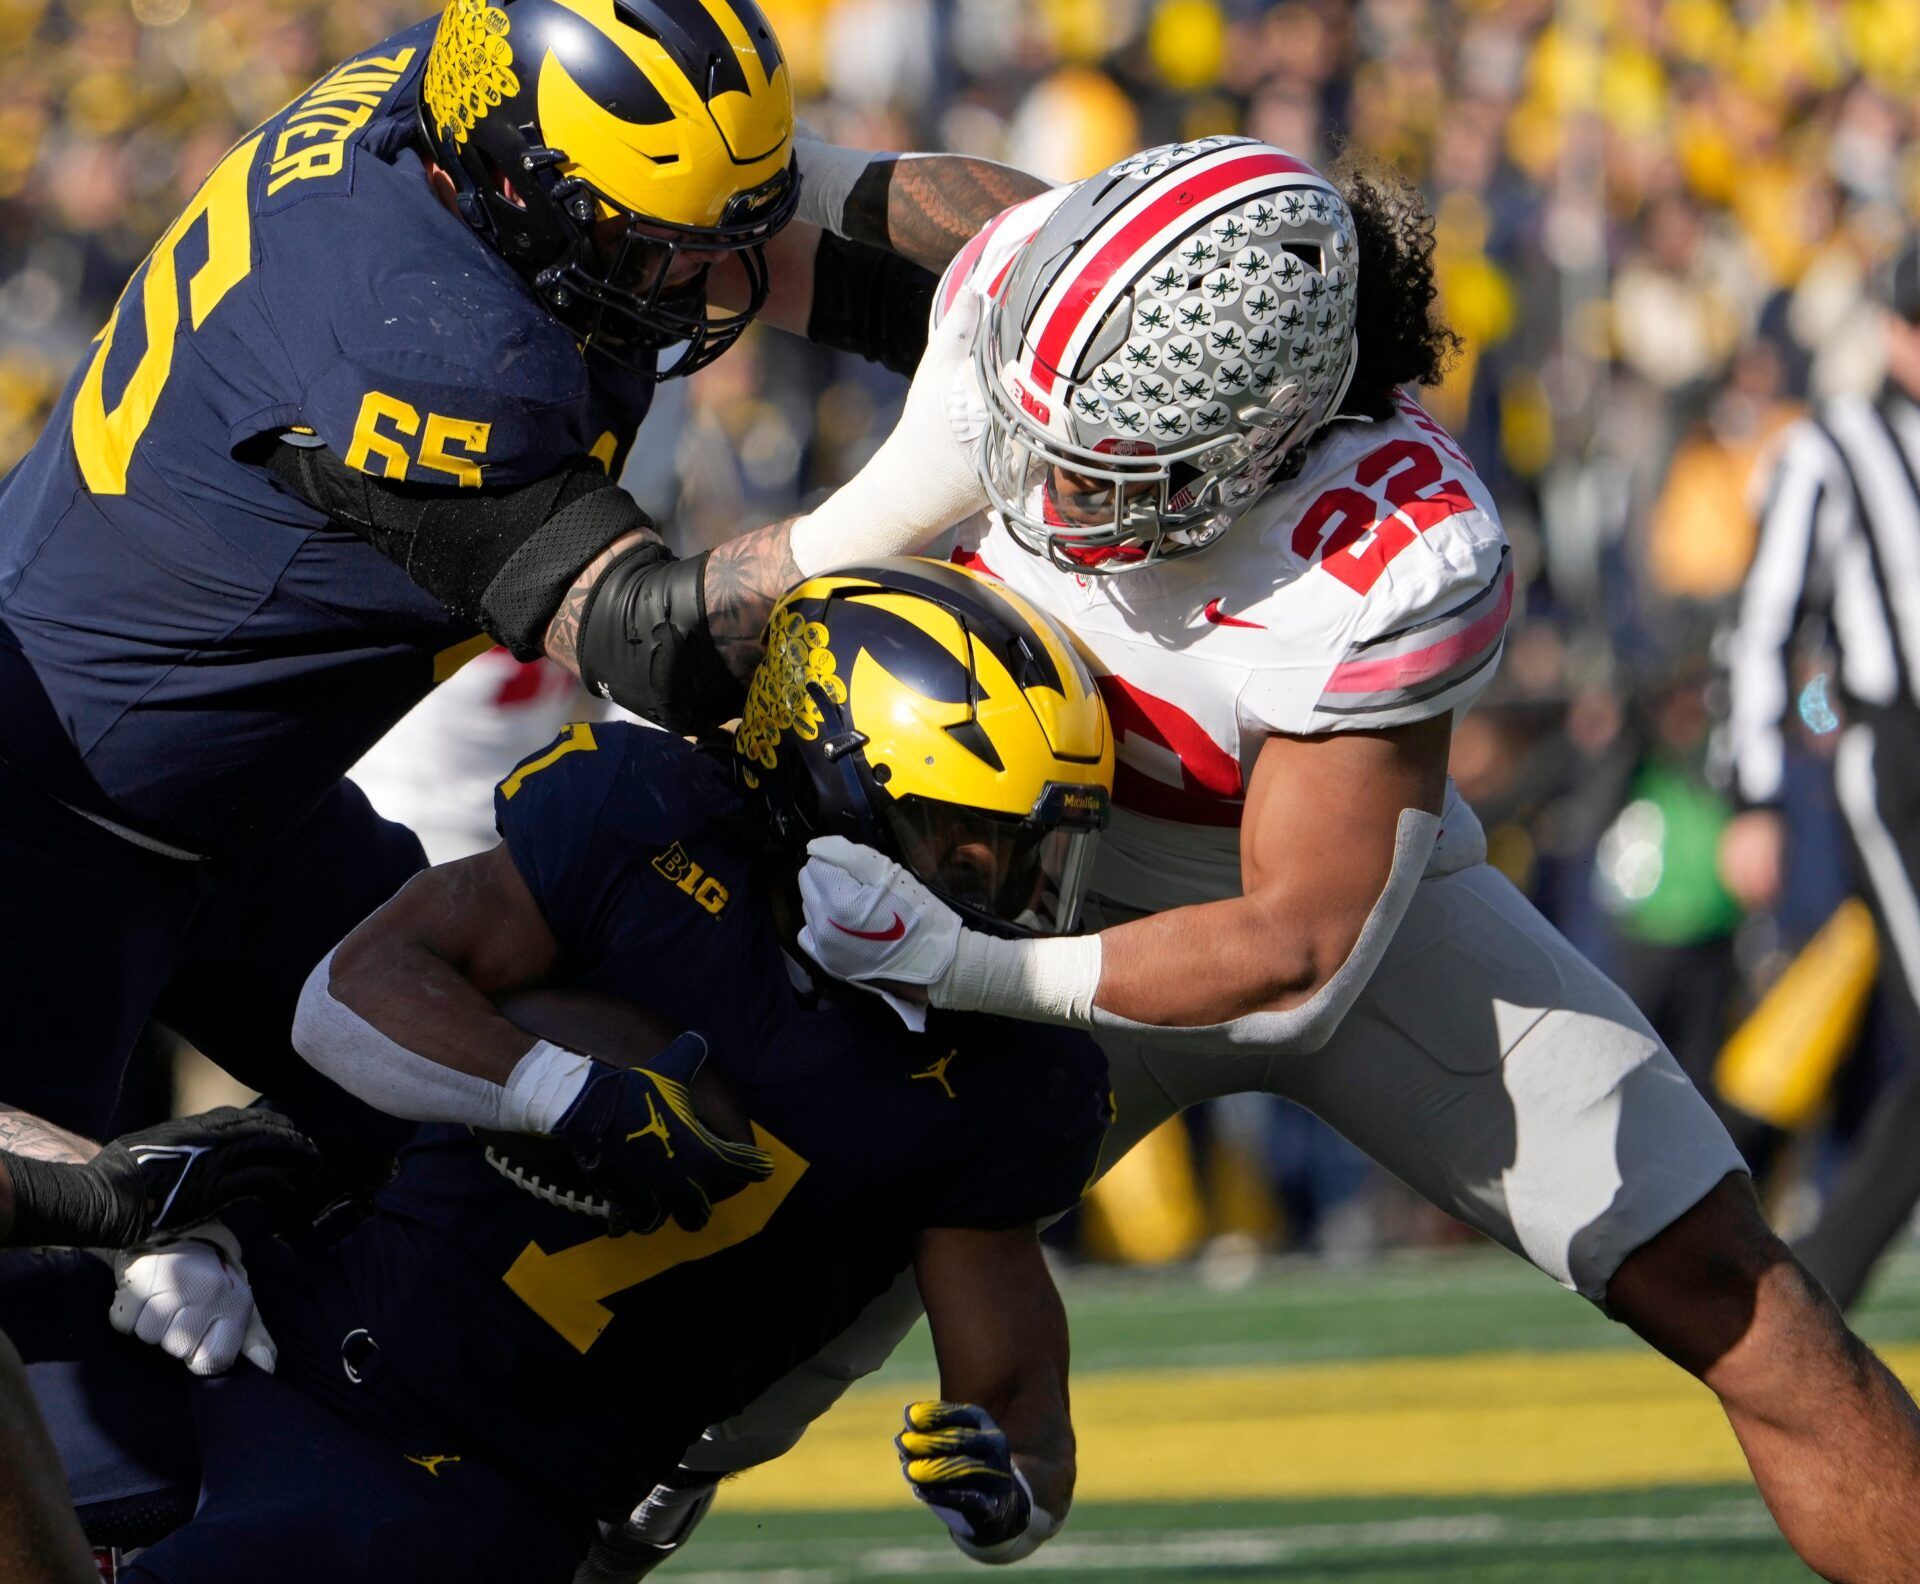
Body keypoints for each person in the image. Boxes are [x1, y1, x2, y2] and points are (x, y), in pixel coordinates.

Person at [668, 139, 1920, 1582]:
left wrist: (971, 972)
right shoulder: (1043, 294)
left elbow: (1301, 954)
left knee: (1742, 1301)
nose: (1039, 497)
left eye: (1098, 473)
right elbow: (892, 214)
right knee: (721, 1344)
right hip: (998, 874)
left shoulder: (1391, 550)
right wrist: (782, 167)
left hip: (1321, 930)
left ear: (1255, 440)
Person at [0, 0, 1040, 1231]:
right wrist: (937, 472)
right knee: (63, 1314)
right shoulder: (415, 339)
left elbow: (825, 264)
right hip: (57, 832)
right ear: (522, 188)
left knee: (567, 1114)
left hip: (251, 803)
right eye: (661, 243)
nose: (716, 283)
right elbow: (660, 646)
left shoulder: (462, 126)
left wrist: (1082, 278)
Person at [6, 562, 1117, 1581]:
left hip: (469, 1483)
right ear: (831, 789)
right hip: (274, 1324)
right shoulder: (650, 825)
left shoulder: (1005, 1077)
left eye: (1031, 863)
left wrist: (1007, 1490)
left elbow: (1016, 1402)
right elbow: (352, 993)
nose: (1005, 906)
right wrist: (561, 1092)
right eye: (962, 847)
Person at [1720, 239, 1920, 1311]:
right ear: (1892, 332)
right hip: (1894, 754)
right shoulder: (1831, 449)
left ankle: (1820, 1288)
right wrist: (1764, 782)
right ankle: (1816, 1287)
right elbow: (1770, 634)